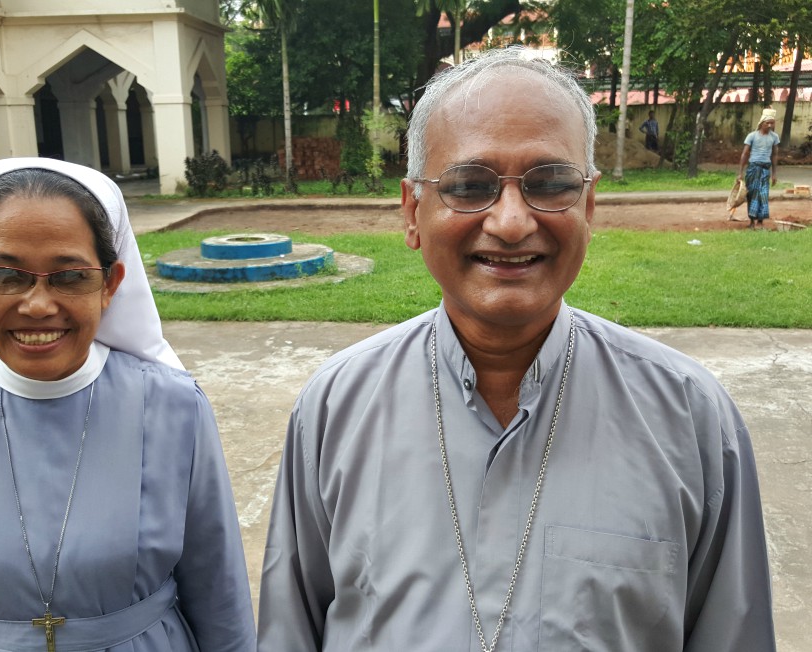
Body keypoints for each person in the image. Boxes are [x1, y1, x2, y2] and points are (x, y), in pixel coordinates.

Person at [258, 47, 775, 651]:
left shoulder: (688, 418)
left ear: (587, 204)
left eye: (550, 184)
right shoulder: (334, 409)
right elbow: (291, 631)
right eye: (469, 185)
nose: (509, 222)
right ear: (412, 211)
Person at [0, 158, 256, 651]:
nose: (36, 305)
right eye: (6, 275)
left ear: (111, 283)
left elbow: (219, 595)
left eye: (69, 276)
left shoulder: (175, 408)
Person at [738, 107, 780, 229]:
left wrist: (774, 174)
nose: (770, 125)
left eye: (772, 123)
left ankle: (760, 222)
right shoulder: (752, 136)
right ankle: (751, 222)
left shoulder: (774, 137)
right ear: (762, 122)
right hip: (753, 168)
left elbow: (775, 155)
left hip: (765, 170)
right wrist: (740, 172)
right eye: (768, 123)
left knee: (763, 195)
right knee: (751, 194)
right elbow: (745, 153)